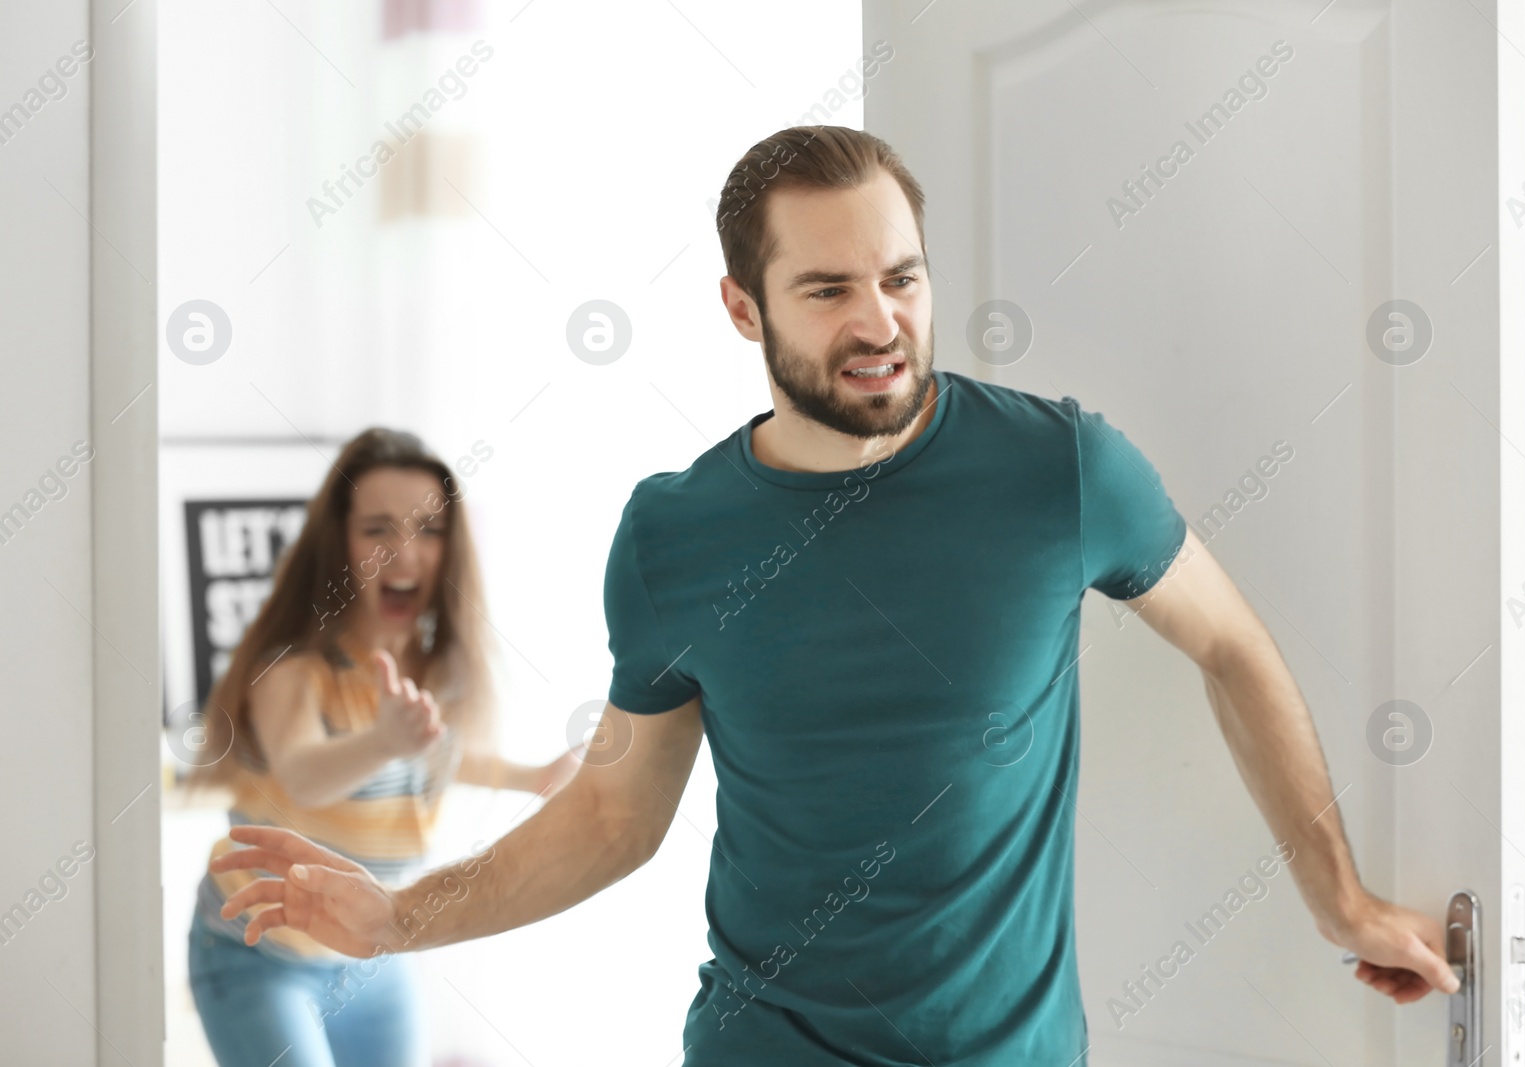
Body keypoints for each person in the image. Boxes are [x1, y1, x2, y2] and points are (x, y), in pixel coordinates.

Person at [213, 127, 1460, 1065]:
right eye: (828, 291)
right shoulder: (673, 533)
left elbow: (1234, 649)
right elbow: (612, 815)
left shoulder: (1059, 471)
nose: (881, 322)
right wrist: (394, 920)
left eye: (902, 278)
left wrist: (1337, 898)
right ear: (741, 306)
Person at [184, 427, 581, 1067]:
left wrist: (533, 778)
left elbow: (439, 756)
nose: (405, 552)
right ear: (337, 543)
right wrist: (383, 741)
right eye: (378, 529)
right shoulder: (291, 668)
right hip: (260, 955)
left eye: (427, 529)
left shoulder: (424, 669)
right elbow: (306, 773)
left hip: (371, 957)